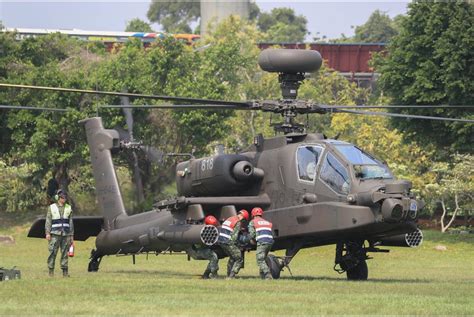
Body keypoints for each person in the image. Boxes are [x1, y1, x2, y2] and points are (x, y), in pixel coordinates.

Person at [45, 189, 74, 277]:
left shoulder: (68, 207)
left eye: (65, 198)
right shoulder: (52, 207)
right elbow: (48, 221)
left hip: (65, 234)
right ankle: (51, 272)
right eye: (62, 198)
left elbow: (71, 222)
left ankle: (65, 272)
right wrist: (47, 233)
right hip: (54, 234)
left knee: (65, 253)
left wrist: (71, 235)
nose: (64, 199)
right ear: (58, 198)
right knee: (52, 253)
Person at [217, 209, 249, 279]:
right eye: (244, 220)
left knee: (232, 257)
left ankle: (228, 275)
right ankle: (231, 276)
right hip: (228, 242)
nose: (243, 221)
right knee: (239, 259)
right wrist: (238, 245)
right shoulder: (238, 222)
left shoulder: (230, 218)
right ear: (243, 217)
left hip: (221, 241)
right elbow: (234, 237)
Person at [248, 207, 274, 280]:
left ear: (253, 214)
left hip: (262, 242)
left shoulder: (253, 222)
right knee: (263, 258)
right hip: (270, 242)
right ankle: (262, 276)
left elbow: (252, 234)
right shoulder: (267, 222)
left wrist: (252, 240)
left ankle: (268, 275)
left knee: (260, 259)